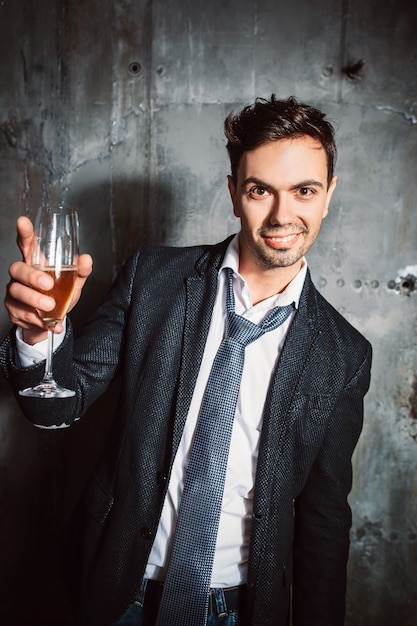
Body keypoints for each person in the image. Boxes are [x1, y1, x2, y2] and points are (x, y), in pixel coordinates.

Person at [1, 95, 372, 626]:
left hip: (240, 609)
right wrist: (39, 337)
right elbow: (54, 409)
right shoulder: (152, 278)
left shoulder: (345, 354)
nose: (282, 215)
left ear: (329, 195)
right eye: (260, 190)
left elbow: (324, 520)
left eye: (304, 191)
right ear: (233, 192)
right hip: (118, 590)